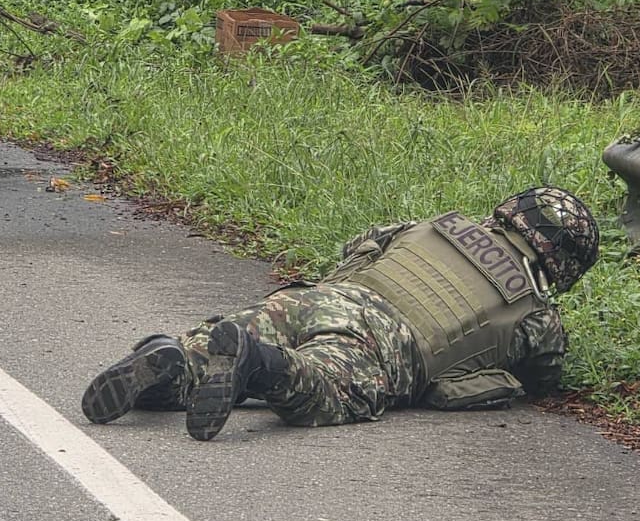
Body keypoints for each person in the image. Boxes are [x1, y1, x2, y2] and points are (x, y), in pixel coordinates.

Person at [80, 187, 599, 441]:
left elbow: (363, 243)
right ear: (565, 261)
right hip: (388, 341)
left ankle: (169, 360)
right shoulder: (535, 314)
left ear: (510, 210)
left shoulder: (437, 224)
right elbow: (546, 377)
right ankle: (255, 364)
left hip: (325, 296)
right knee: (321, 389)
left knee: (210, 347)